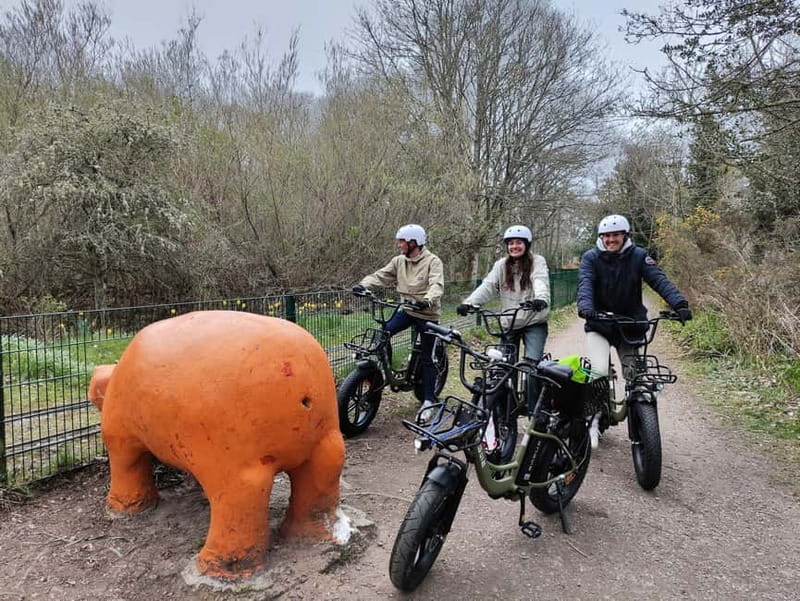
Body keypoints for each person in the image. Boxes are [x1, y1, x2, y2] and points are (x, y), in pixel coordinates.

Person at [577, 213, 692, 381]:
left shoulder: (638, 256)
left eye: (616, 235)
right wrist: (586, 308)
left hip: (631, 325)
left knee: (638, 378)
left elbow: (658, 280)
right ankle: (599, 404)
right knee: (599, 372)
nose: (611, 240)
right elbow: (585, 283)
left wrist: (679, 304)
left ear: (625, 235)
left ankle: (637, 406)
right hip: (600, 325)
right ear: (601, 237)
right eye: (607, 236)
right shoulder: (591, 258)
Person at [353, 224, 445, 421]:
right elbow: (381, 275)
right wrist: (363, 285)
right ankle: (390, 371)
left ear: (414, 242)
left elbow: (436, 284)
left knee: (428, 357)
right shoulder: (399, 261)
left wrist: (427, 300)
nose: (399, 245)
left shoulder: (433, 261)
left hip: (427, 313)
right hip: (407, 309)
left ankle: (429, 400)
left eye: (402, 241)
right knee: (383, 333)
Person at [457, 225, 550, 409]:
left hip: (534, 321)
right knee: (504, 368)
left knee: (532, 368)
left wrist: (540, 298)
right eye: (511, 243)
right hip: (509, 323)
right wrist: (469, 303)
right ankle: (508, 409)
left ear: (527, 244)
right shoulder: (501, 265)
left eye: (519, 243)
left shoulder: (537, 261)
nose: (514, 247)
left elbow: (540, 279)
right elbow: (488, 286)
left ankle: (535, 413)